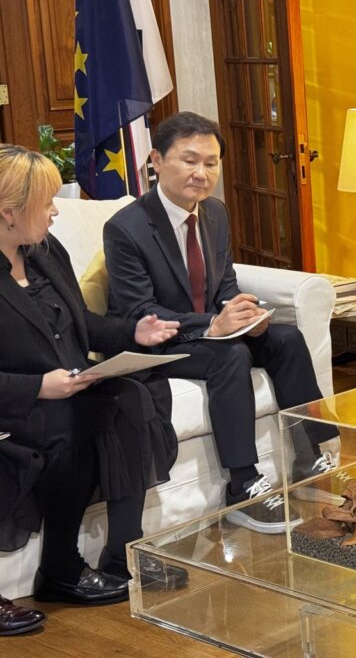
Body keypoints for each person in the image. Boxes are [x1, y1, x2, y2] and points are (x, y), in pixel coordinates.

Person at [103, 112, 336, 535]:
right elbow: (140, 311)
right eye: (190, 160)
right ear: (157, 160)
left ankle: (309, 456)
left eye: (211, 163)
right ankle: (242, 485)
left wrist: (245, 314)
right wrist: (214, 324)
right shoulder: (125, 229)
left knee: (286, 339)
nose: (202, 173)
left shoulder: (214, 213)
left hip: (211, 330)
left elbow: (224, 284)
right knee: (230, 355)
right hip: (159, 341)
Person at [0, 144, 183, 606]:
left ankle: (124, 554)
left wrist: (132, 332)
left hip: (69, 389)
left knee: (131, 398)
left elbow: (81, 322)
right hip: (17, 405)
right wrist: (38, 387)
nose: (55, 211)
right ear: (8, 213)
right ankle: (59, 571)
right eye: (45, 202)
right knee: (69, 422)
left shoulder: (44, 252)